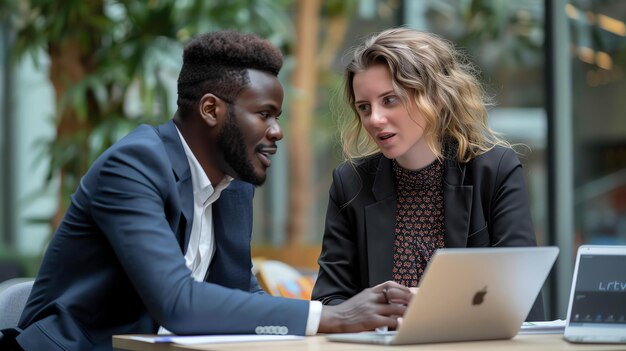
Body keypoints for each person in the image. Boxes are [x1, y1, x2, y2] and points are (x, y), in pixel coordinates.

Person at [0, 30, 412, 351]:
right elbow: (178, 304)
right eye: (264, 114)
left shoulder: (233, 183)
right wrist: (330, 316)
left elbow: (235, 293)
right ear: (211, 109)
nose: (277, 131)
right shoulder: (133, 167)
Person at [311, 27, 544, 321]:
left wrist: (427, 301)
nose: (374, 119)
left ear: (434, 96)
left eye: (390, 100)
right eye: (364, 107)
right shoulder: (350, 183)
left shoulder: (494, 169)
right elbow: (329, 301)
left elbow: (522, 295)